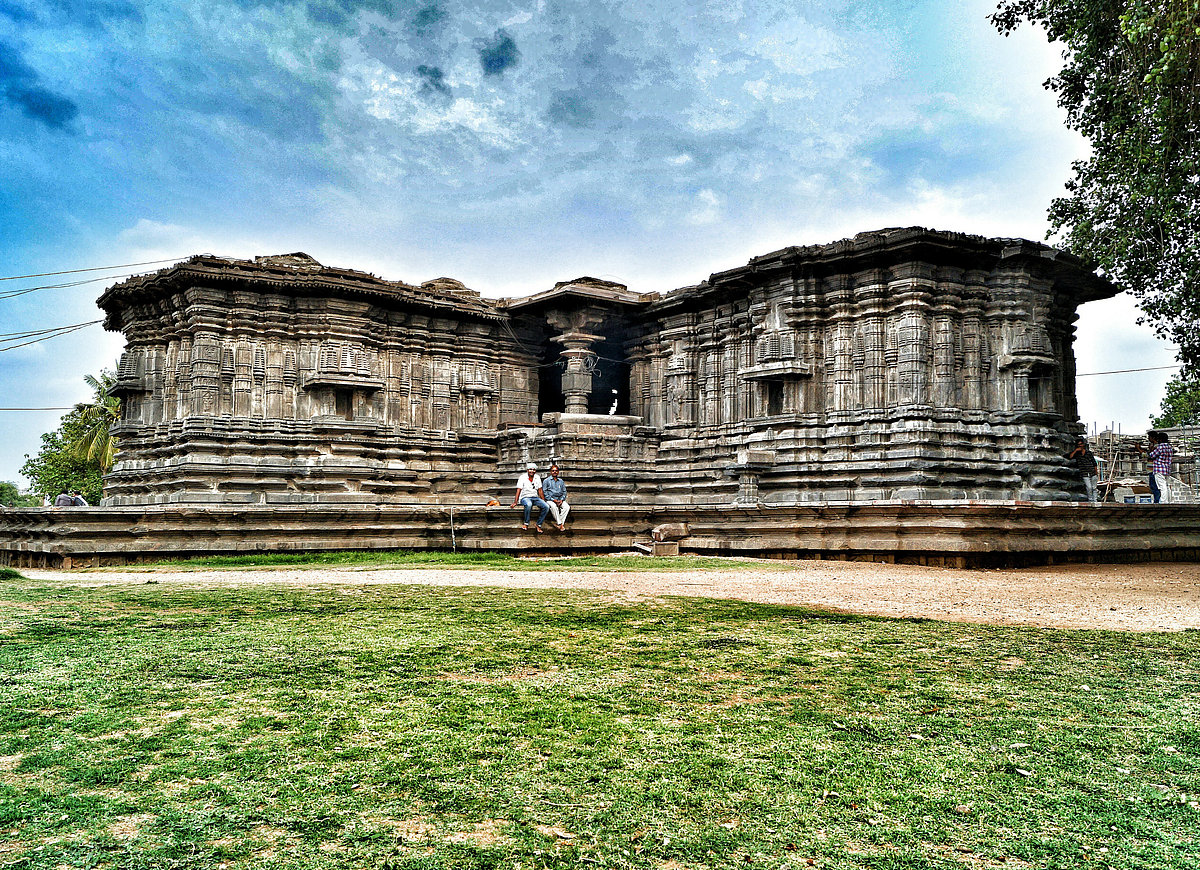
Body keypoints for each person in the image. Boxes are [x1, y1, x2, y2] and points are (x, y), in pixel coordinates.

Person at [510, 462, 548, 532]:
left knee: (546, 506)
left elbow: (540, 490)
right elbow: (519, 490)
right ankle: (526, 523)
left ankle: (539, 524)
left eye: (534, 470)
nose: (532, 471)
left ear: (535, 471)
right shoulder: (522, 477)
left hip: (535, 497)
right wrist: (515, 502)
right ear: (527, 470)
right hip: (525, 497)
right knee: (529, 504)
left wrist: (543, 500)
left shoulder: (537, 477)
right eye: (530, 469)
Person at [1144, 431, 1175, 504]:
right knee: (1167, 486)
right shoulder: (1169, 447)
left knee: (1162, 486)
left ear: (1160, 439)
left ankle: (1164, 501)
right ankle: (1168, 500)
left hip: (1159, 469)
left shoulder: (1160, 447)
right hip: (1167, 469)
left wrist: (1150, 450)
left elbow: (1151, 455)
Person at [1067, 437, 1099, 504]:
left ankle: (1095, 500)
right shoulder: (1077, 454)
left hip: (1092, 472)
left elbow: (1094, 463)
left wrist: (1096, 472)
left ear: (1083, 444)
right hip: (1084, 473)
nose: (1080, 446)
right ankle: (1090, 500)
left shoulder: (1088, 453)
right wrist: (1076, 450)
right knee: (1089, 487)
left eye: (1081, 444)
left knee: (1094, 488)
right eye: (1078, 445)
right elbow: (1070, 456)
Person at [542, 463, 570, 531]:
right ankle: (560, 524)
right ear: (550, 472)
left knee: (567, 507)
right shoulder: (546, 481)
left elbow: (564, 492)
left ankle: (559, 524)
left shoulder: (561, 481)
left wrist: (561, 500)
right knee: (554, 507)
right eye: (553, 470)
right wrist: (553, 500)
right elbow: (545, 493)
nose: (555, 472)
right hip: (550, 499)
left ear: (558, 472)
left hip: (559, 499)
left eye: (556, 470)